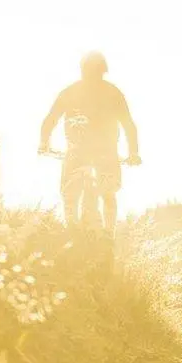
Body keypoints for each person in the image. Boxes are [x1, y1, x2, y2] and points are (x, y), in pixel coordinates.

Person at [38, 51, 142, 233]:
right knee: (108, 193)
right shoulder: (113, 92)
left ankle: (72, 230)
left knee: (69, 194)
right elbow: (128, 125)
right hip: (107, 152)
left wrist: (44, 144)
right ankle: (109, 233)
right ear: (104, 70)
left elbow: (50, 120)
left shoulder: (70, 92)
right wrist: (133, 153)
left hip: (77, 151)